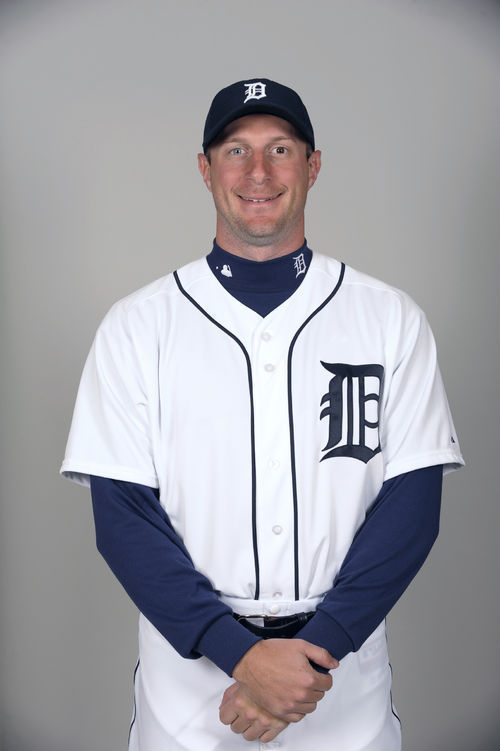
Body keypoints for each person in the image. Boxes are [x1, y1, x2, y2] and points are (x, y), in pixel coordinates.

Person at [61, 78, 464, 750]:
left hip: (341, 677)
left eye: (280, 149)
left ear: (312, 165)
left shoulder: (389, 318)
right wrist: (242, 657)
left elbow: (412, 507)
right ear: (205, 168)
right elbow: (123, 519)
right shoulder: (137, 326)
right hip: (191, 682)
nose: (258, 172)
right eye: (235, 150)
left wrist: (316, 653)